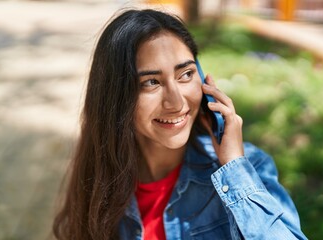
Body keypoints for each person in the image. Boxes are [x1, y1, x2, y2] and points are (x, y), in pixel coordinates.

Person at [53, 9, 307, 240]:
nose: (176, 102)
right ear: (115, 96)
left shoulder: (250, 168)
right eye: (151, 82)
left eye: (185, 74)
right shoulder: (103, 178)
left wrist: (234, 169)